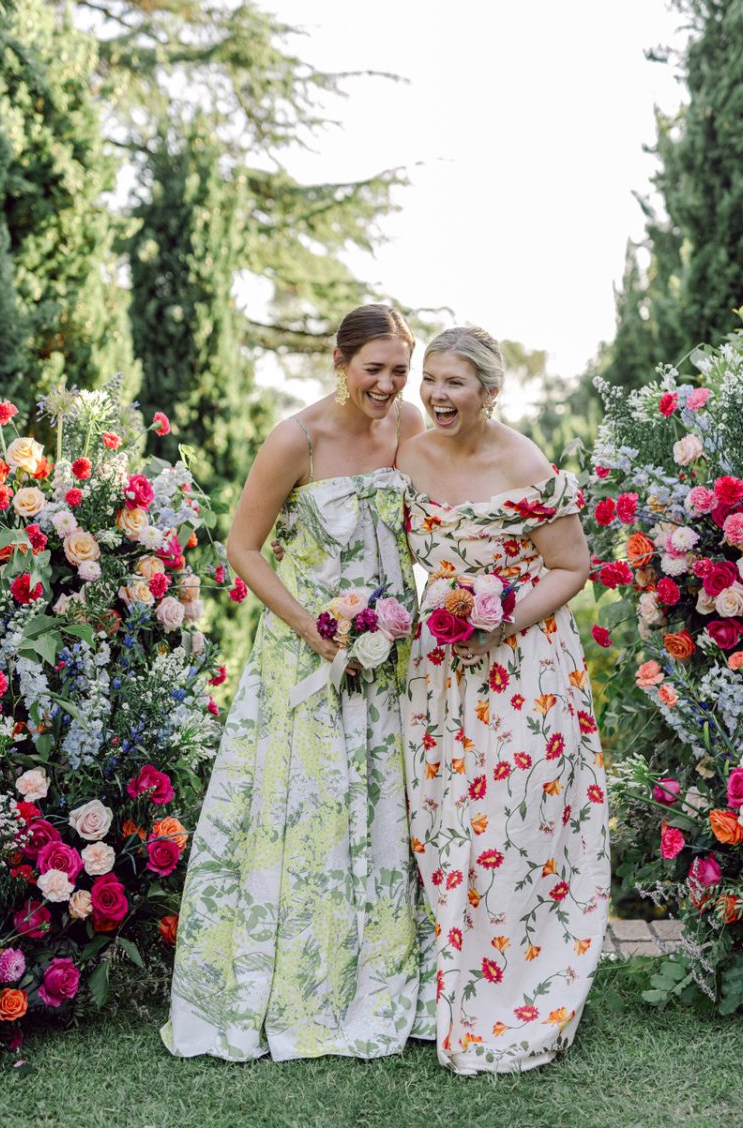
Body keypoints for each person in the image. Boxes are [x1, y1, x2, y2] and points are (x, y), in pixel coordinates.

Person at [162, 304, 434, 1062]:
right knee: (304, 815)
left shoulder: (410, 426)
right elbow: (243, 548)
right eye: (373, 368)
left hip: (388, 661)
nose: (386, 384)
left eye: (397, 370)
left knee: (382, 814)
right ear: (340, 362)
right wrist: (312, 627)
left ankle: (385, 980)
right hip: (305, 659)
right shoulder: (297, 438)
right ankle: (295, 985)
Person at [396, 326, 610, 1075]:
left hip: (523, 664)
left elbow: (572, 566)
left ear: (489, 391)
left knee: (514, 821)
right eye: (431, 380)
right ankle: (446, 977)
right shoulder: (409, 455)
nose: (437, 395)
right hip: (438, 671)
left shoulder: (525, 462)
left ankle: (519, 984)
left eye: (453, 382)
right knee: (444, 818)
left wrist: (498, 616)